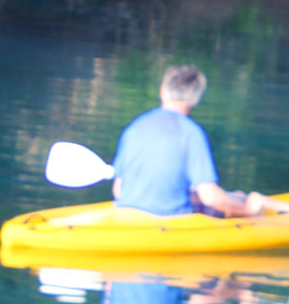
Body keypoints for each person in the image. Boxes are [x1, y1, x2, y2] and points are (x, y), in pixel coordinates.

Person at [110, 65, 270, 221]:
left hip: (126, 214)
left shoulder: (135, 126)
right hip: (169, 221)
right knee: (240, 200)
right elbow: (211, 198)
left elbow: (119, 190)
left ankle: (239, 198)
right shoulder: (191, 132)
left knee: (236, 196)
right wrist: (249, 211)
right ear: (196, 98)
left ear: (162, 91)